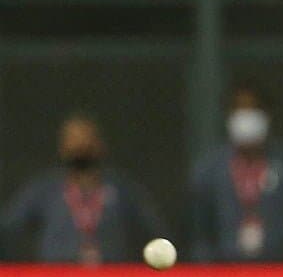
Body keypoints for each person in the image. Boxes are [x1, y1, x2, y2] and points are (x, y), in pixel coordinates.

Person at [189, 83, 283, 262]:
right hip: (224, 268)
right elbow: (197, 228)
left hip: (282, 267)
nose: (246, 117)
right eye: (239, 109)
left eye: (253, 109)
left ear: (266, 115)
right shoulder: (209, 169)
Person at [1, 113, 166, 264]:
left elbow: (154, 230)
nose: (80, 145)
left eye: (85, 139)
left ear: (99, 144)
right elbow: (9, 227)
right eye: (73, 140)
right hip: (57, 275)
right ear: (62, 147)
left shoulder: (121, 188)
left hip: (110, 275)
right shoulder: (44, 189)